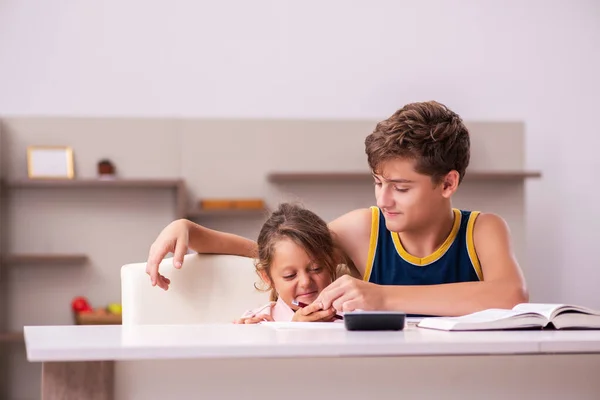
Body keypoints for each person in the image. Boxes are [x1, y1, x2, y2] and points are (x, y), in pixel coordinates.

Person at [146, 100, 528, 317]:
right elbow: (279, 252)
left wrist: (381, 296)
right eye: (378, 183)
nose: (384, 199)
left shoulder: (483, 231)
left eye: (401, 187)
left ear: (448, 183)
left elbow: (510, 295)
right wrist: (192, 231)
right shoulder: (366, 230)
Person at [232, 203, 350, 324]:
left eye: (316, 269)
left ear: (333, 261)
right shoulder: (259, 322)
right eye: (290, 275)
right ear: (268, 278)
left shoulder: (354, 313)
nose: (305, 282)